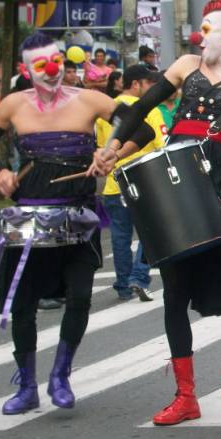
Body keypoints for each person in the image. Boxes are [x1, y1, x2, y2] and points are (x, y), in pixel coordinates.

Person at [108, 0, 221, 426]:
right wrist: (114, 146)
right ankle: (185, 395)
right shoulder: (185, 66)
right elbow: (140, 111)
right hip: (180, 183)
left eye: (207, 27)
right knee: (175, 290)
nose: (199, 34)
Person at [0, 32, 155, 416]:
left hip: (77, 214)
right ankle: (26, 385)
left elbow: (141, 129)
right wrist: (0, 176)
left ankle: (60, 375)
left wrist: (111, 153)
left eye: (56, 59)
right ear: (27, 69)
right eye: (42, 63)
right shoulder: (13, 105)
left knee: (79, 296)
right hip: (27, 215)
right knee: (23, 305)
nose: (54, 69)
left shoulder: (88, 99)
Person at [96, 65, 164, 302]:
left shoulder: (106, 110)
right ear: (136, 84)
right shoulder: (148, 110)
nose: (152, 89)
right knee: (150, 233)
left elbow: (100, 146)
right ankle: (139, 276)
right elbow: (159, 144)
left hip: (113, 183)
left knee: (120, 237)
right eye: (149, 84)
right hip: (143, 180)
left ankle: (123, 284)